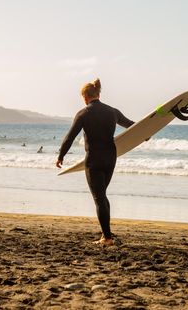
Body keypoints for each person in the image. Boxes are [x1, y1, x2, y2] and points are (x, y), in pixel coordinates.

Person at [56, 78, 134, 246]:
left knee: (99, 198)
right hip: (110, 158)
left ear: (85, 97)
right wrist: (147, 133)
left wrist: (61, 155)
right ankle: (107, 234)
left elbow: (70, 137)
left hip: (94, 160)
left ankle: (107, 238)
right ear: (98, 94)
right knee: (102, 196)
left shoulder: (83, 114)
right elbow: (132, 127)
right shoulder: (113, 112)